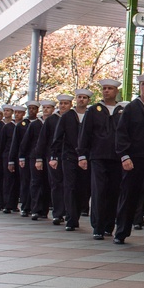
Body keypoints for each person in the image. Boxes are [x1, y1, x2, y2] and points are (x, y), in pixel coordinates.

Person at [115, 74, 144, 245]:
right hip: (134, 158)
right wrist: (124, 155)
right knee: (129, 196)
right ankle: (121, 232)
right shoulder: (131, 108)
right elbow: (122, 133)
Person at [78, 79, 125, 240]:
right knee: (99, 191)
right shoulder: (94, 110)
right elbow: (85, 133)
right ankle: (97, 226)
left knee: (113, 192)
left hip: (116, 157)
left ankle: (108, 226)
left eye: (110, 88)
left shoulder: (122, 110)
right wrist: (82, 154)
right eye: (104, 88)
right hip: (98, 156)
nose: (106, 91)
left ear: (116, 91)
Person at [51, 90, 92, 231]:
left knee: (83, 188)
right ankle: (71, 218)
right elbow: (58, 137)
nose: (81, 100)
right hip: (69, 156)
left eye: (84, 97)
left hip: (86, 157)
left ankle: (78, 212)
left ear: (88, 100)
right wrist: (54, 156)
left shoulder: (90, 115)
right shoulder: (67, 116)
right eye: (79, 97)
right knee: (70, 187)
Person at [35, 95, 70, 224]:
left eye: (66, 103)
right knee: (56, 184)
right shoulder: (51, 120)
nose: (63, 106)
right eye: (61, 103)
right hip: (54, 156)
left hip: (70, 155)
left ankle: (69, 211)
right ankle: (58, 213)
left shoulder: (73, 117)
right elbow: (42, 140)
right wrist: (39, 158)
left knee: (70, 185)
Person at [27, 100, 55, 220]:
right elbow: (27, 142)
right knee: (36, 182)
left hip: (49, 156)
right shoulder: (34, 124)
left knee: (48, 183)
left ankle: (44, 209)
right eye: (44, 107)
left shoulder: (55, 122)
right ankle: (36, 209)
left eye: (48, 107)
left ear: (53, 109)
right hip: (36, 156)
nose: (46, 110)